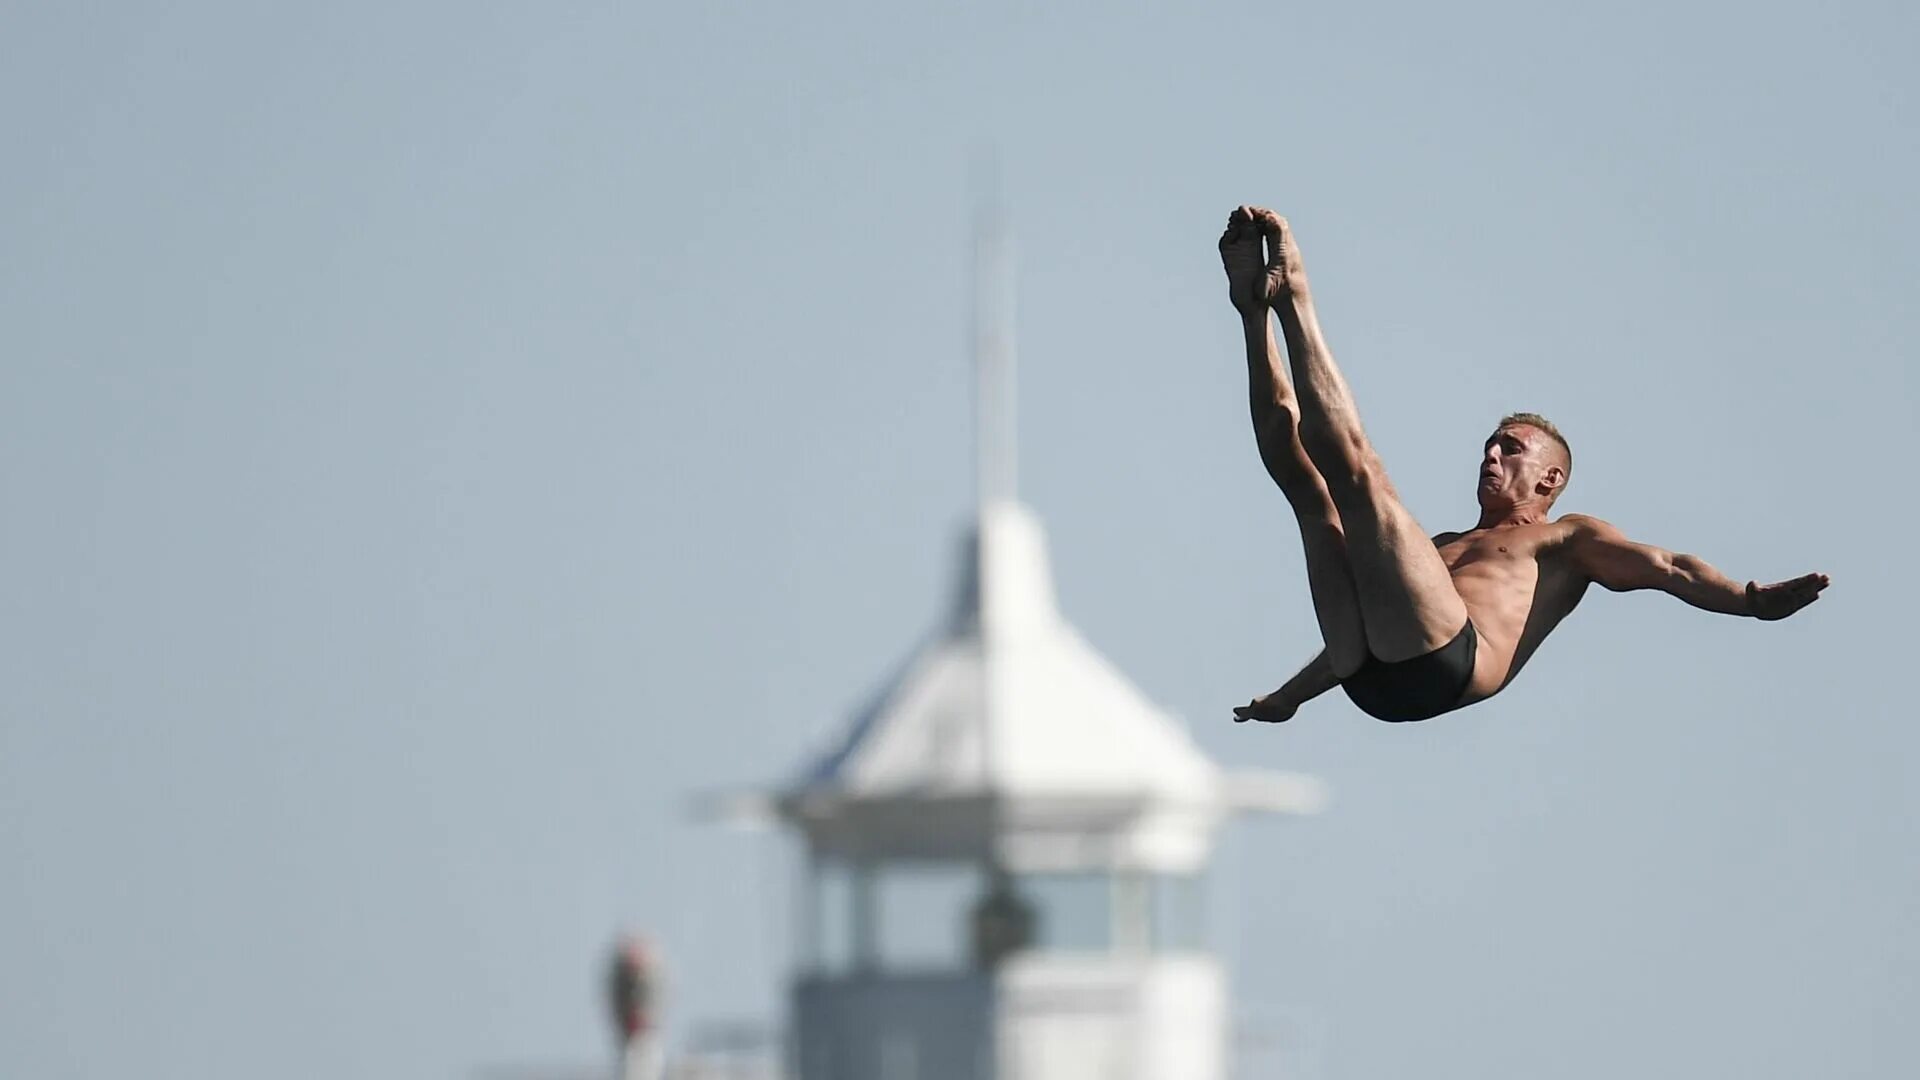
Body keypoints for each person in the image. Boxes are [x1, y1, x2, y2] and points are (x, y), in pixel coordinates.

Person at [1218, 206, 1828, 724]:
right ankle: (1253, 313)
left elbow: (1670, 568)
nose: (1490, 453)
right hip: (1367, 679)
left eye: (1511, 447)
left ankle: (1295, 297)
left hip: (1447, 665)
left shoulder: (1566, 539)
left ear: (1550, 478)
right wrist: (1289, 699)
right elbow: (1373, 626)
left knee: (1361, 480)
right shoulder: (1443, 547)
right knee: (1308, 491)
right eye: (1489, 443)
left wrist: (1746, 600)